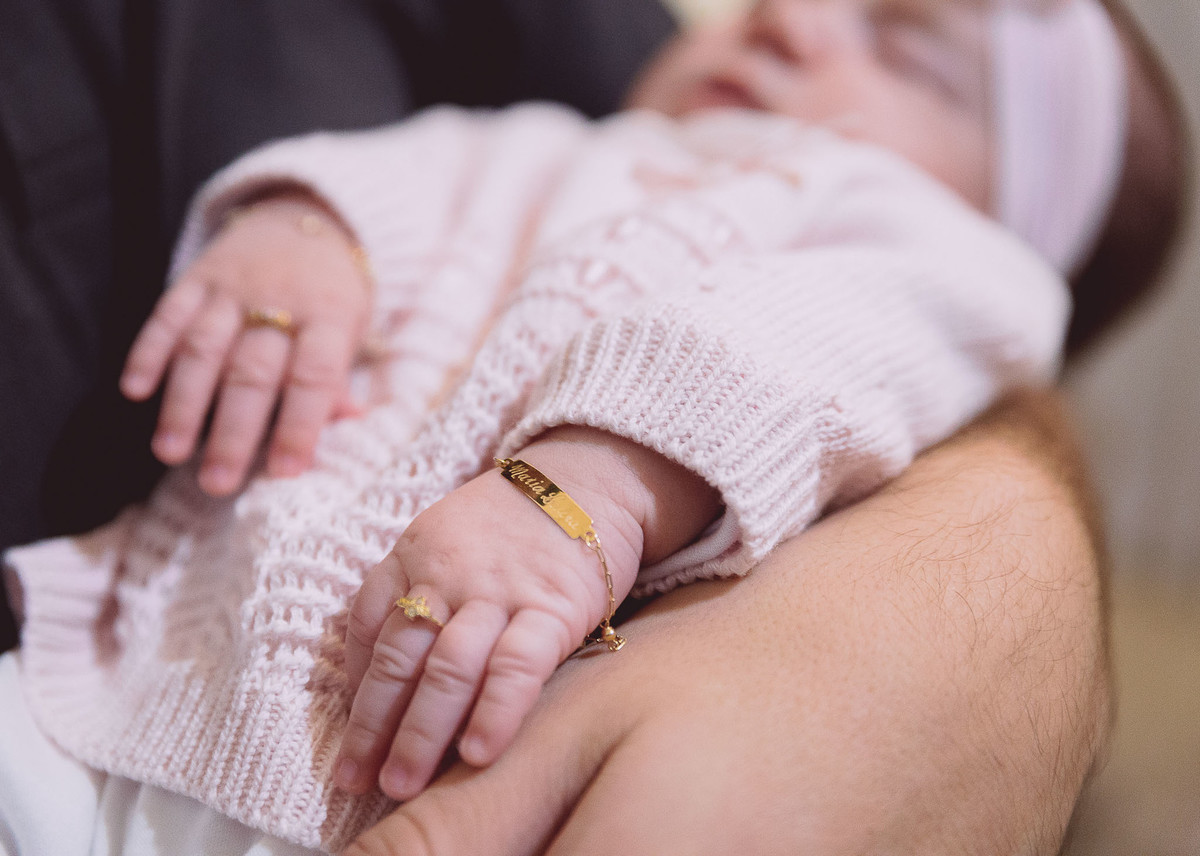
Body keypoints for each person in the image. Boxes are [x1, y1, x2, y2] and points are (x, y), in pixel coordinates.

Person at [0, 0, 1188, 854]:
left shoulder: (924, 255)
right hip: (109, 686)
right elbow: (409, 169)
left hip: (393, 778)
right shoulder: (550, 143)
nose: (792, 19)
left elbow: (789, 355)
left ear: (1014, 230)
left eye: (915, 56)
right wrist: (310, 229)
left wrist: (583, 492)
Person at [0, 0, 677, 652]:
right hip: (190, 547)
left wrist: (591, 490)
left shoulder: (772, 210)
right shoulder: (543, 137)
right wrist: (312, 214)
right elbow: (425, 160)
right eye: (756, 16)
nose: (783, 31)